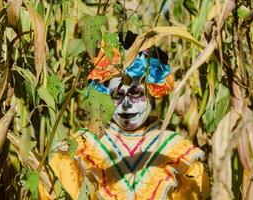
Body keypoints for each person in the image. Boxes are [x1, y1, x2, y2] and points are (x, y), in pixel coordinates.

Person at [40, 31, 209, 200]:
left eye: (136, 94)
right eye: (117, 95)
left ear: (152, 91)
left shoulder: (175, 151)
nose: (127, 104)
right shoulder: (81, 148)